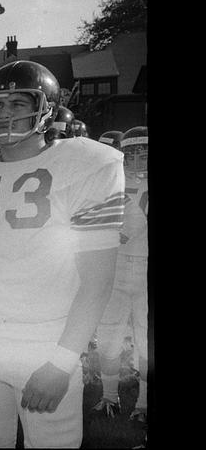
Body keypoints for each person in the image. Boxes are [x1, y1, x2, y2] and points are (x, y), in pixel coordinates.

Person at [0, 60, 125, 448]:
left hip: (45, 335)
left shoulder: (85, 163)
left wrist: (63, 361)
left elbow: (98, 280)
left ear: (47, 109)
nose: (4, 114)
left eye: (18, 103)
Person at [93, 126, 148, 425]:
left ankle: (143, 402)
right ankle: (109, 397)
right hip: (116, 268)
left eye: (144, 150)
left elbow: (131, 226)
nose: (138, 156)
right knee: (108, 337)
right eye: (133, 151)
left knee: (146, 341)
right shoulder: (113, 182)